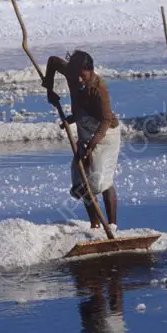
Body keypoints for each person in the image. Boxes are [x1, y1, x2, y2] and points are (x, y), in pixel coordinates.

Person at [43, 50, 122, 229]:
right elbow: (53, 61)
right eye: (74, 74)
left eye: (82, 75)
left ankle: (111, 226)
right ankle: (95, 225)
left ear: (91, 70)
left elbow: (106, 120)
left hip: (105, 135)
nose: (78, 79)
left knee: (100, 180)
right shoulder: (72, 72)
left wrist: (91, 147)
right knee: (82, 178)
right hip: (85, 131)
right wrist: (50, 90)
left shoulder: (99, 88)